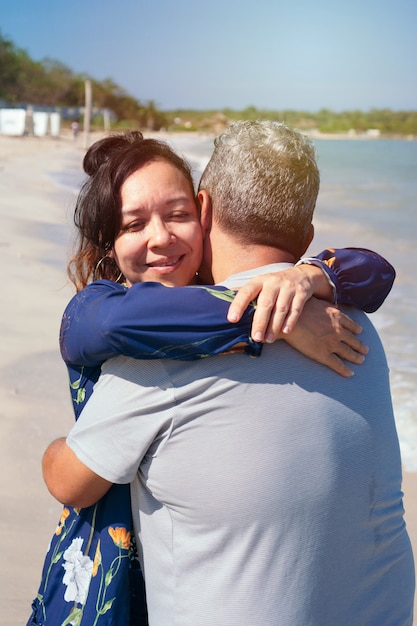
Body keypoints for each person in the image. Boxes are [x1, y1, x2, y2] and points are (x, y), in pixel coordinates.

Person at [42, 122, 414, 626]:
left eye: (178, 214)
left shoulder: (155, 365)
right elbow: (98, 323)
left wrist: (303, 284)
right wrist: (288, 305)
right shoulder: (355, 328)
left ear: (204, 210)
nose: (160, 237)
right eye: (133, 224)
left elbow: (68, 481)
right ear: (307, 237)